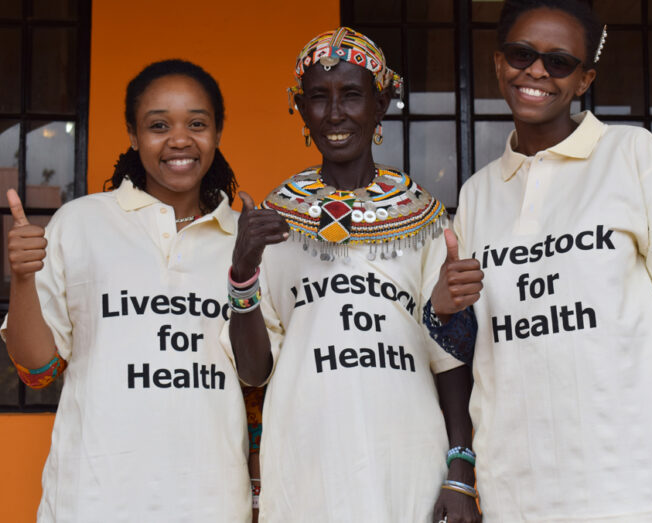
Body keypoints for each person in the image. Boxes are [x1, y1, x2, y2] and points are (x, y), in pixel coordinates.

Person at [427, 1, 652, 521]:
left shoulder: (632, 153)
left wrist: (606, 370)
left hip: (628, 486)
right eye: (522, 55)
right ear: (499, 64)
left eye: (559, 62)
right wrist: (445, 307)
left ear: (584, 80)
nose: (536, 71)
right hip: (516, 490)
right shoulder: (478, 194)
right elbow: (479, 347)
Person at [225, 27, 480, 523]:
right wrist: (243, 272)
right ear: (301, 109)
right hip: (307, 471)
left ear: (381, 104)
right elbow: (254, 371)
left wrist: (460, 470)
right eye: (318, 98)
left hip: (409, 467)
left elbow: (449, 361)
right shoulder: (274, 220)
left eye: (352, 96)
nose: (335, 113)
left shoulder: (424, 218)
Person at [2, 59, 255, 522]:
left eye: (196, 123)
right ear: (133, 135)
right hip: (90, 502)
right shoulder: (80, 223)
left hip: (211, 503)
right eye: (158, 125)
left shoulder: (245, 241)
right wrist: (22, 276)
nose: (179, 139)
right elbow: (36, 370)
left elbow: (258, 381)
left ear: (217, 132)